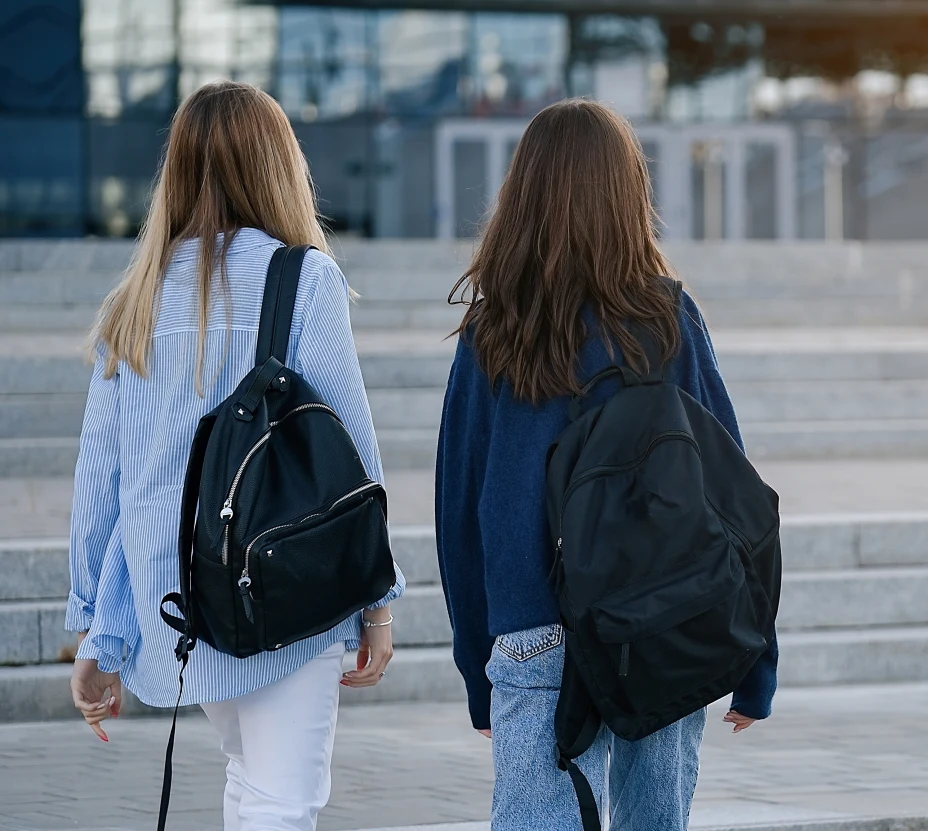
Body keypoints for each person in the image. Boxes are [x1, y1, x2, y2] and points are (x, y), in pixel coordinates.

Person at [66, 81, 403, 831]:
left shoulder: (136, 301)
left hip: (181, 601)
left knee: (252, 783)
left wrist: (99, 626)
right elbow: (351, 446)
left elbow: (101, 480)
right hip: (290, 586)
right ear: (277, 166)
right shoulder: (305, 279)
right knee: (282, 801)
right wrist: (376, 600)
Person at [436, 98, 778, 830]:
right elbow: (734, 499)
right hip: (661, 610)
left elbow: (461, 512)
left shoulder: (494, 331)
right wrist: (754, 663)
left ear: (520, 195)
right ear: (629, 195)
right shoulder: (667, 321)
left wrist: (478, 669)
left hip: (533, 626)